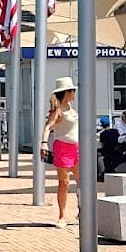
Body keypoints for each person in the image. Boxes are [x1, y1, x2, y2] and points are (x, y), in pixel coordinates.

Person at [39, 75, 79, 228]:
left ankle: (82, 211)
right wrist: (44, 143)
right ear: (67, 92)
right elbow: (48, 126)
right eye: (72, 90)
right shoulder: (58, 110)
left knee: (82, 182)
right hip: (63, 147)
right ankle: (62, 216)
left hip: (76, 148)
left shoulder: (71, 109)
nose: (74, 93)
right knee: (64, 182)